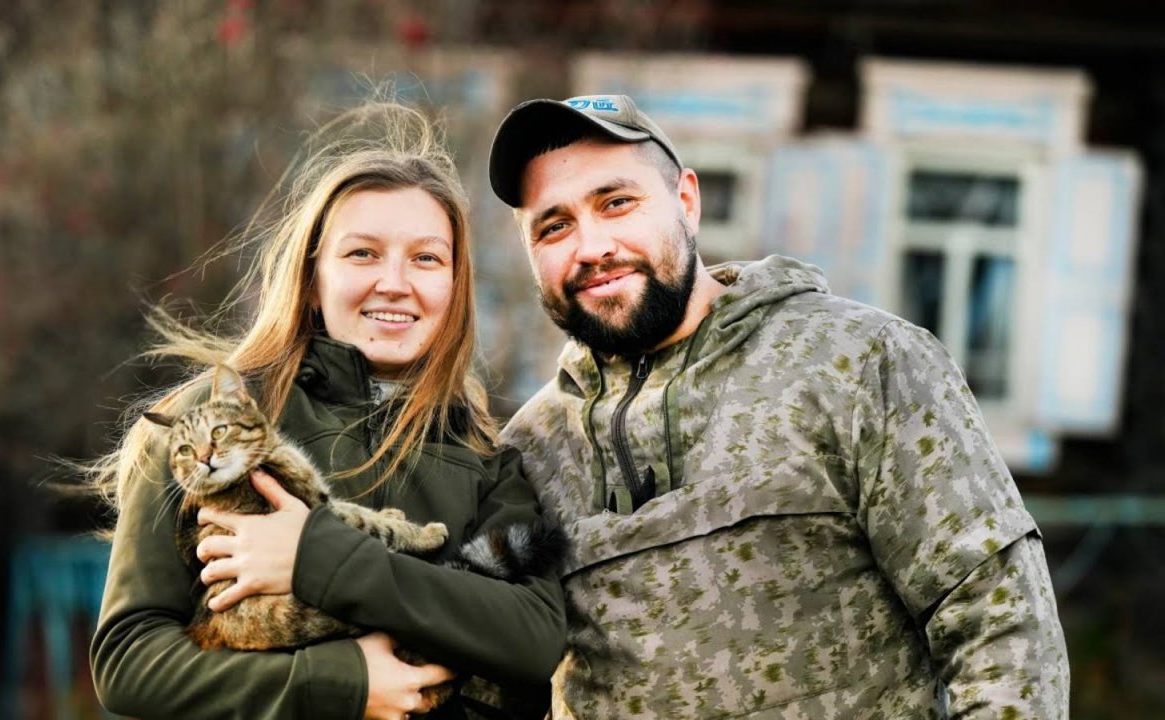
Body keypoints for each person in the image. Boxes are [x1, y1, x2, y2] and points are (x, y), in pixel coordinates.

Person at [486, 94, 1069, 718]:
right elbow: (487, 678)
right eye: (554, 226)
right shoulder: (526, 451)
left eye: (616, 203)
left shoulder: (859, 362)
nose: (592, 246)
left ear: (687, 200)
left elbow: (1002, 629)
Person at [88, 101, 566, 720]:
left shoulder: (487, 458)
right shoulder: (209, 422)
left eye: (426, 258)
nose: (394, 282)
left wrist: (320, 558)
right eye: (362, 253)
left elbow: (533, 640)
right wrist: (340, 682)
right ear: (313, 280)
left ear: (454, 288)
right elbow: (128, 661)